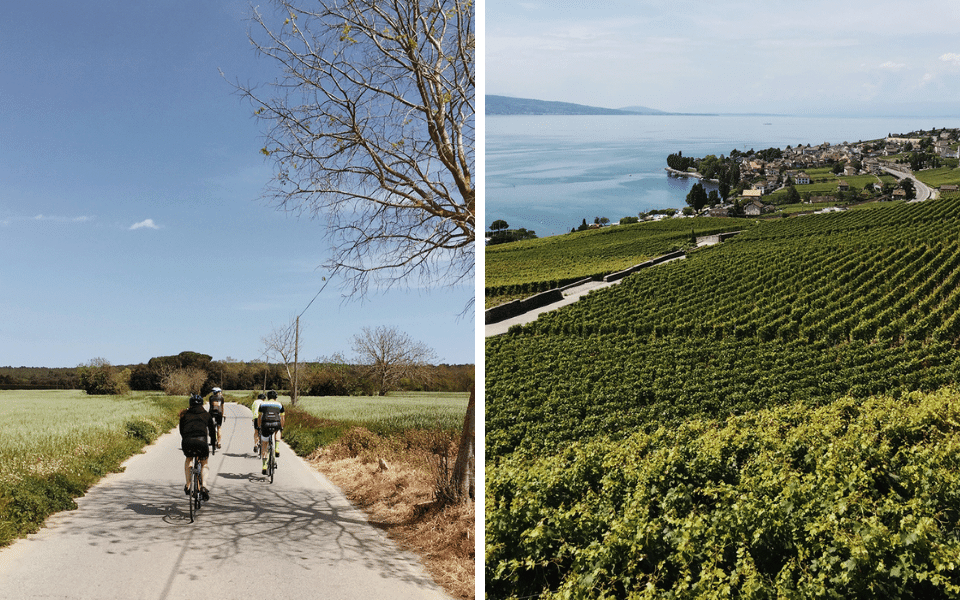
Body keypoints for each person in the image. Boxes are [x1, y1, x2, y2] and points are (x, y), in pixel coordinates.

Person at [179, 394, 216, 500]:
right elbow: (212, 431)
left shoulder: (184, 414)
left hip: (187, 441)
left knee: (188, 459)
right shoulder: (206, 414)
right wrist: (213, 443)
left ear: (190, 404)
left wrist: (186, 439)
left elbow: (182, 431)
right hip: (202, 442)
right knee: (204, 464)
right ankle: (204, 485)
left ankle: (188, 485)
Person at [257, 390, 285, 475]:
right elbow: (283, 418)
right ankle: (277, 448)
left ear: (268, 397)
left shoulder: (262, 404)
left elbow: (259, 417)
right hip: (276, 423)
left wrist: (259, 427)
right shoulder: (280, 405)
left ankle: (264, 465)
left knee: (264, 444)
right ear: (276, 398)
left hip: (265, 424)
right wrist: (282, 427)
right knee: (278, 431)